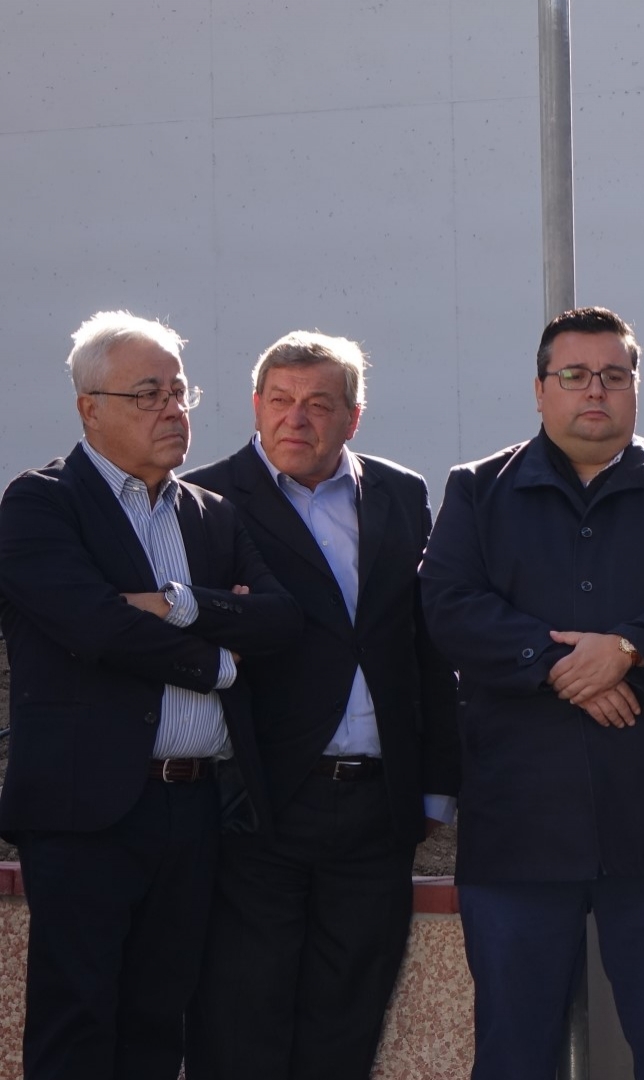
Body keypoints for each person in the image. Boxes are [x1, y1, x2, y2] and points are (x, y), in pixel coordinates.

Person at [419, 306, 644, 1080]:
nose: (594, 391)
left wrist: (630, 648)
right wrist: (559, 664)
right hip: (522, 819)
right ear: (541, 389)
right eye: (574, 375)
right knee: (514, 1048)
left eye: (613, 375)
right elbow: (449, 604)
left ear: (636, 389)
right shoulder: (478, 490)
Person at [0, 311, 302, 1079]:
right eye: (148, 394)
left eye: (180, 391)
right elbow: (97, 629)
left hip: (193, 809)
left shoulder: (212, 512)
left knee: (158, 1019)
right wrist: (222, 664)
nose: (173, 410)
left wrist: (177, 602)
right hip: (87, 810)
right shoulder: (40, 504)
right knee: (78, 1018)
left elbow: (276, 618)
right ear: (89, 409)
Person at [181, 331, 461, 1079]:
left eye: (317, 404)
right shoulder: (204, 499)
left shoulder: (401, 494)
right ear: (255, 406)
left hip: (377, 806)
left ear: (353, 417)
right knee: (244, 1017)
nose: (295, 419)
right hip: (258, 802)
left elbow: (424, 643)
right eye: (280, 401)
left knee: (348, 1018)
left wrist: (435, 779)